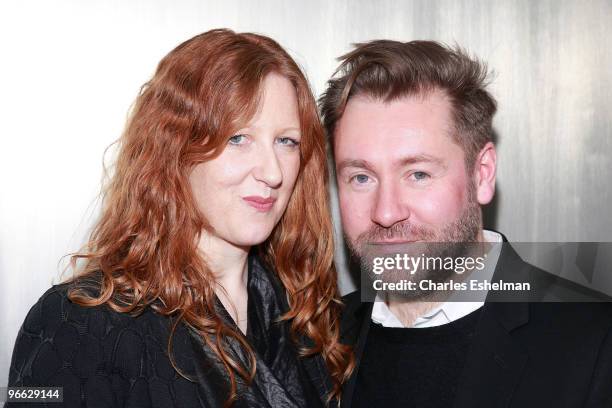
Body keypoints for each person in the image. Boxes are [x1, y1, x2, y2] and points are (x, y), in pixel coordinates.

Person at [7, 29, 353, 408]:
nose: (272, 172)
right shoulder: (75, 323)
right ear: (176, 148)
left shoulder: (306, 316)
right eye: (238, 137)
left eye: (286, 141)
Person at [319, 40, 612, 407]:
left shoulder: (595, 344)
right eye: (361, 177)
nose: (387, 212)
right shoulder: (316, 343)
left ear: (482, 174)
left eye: (418, 174)